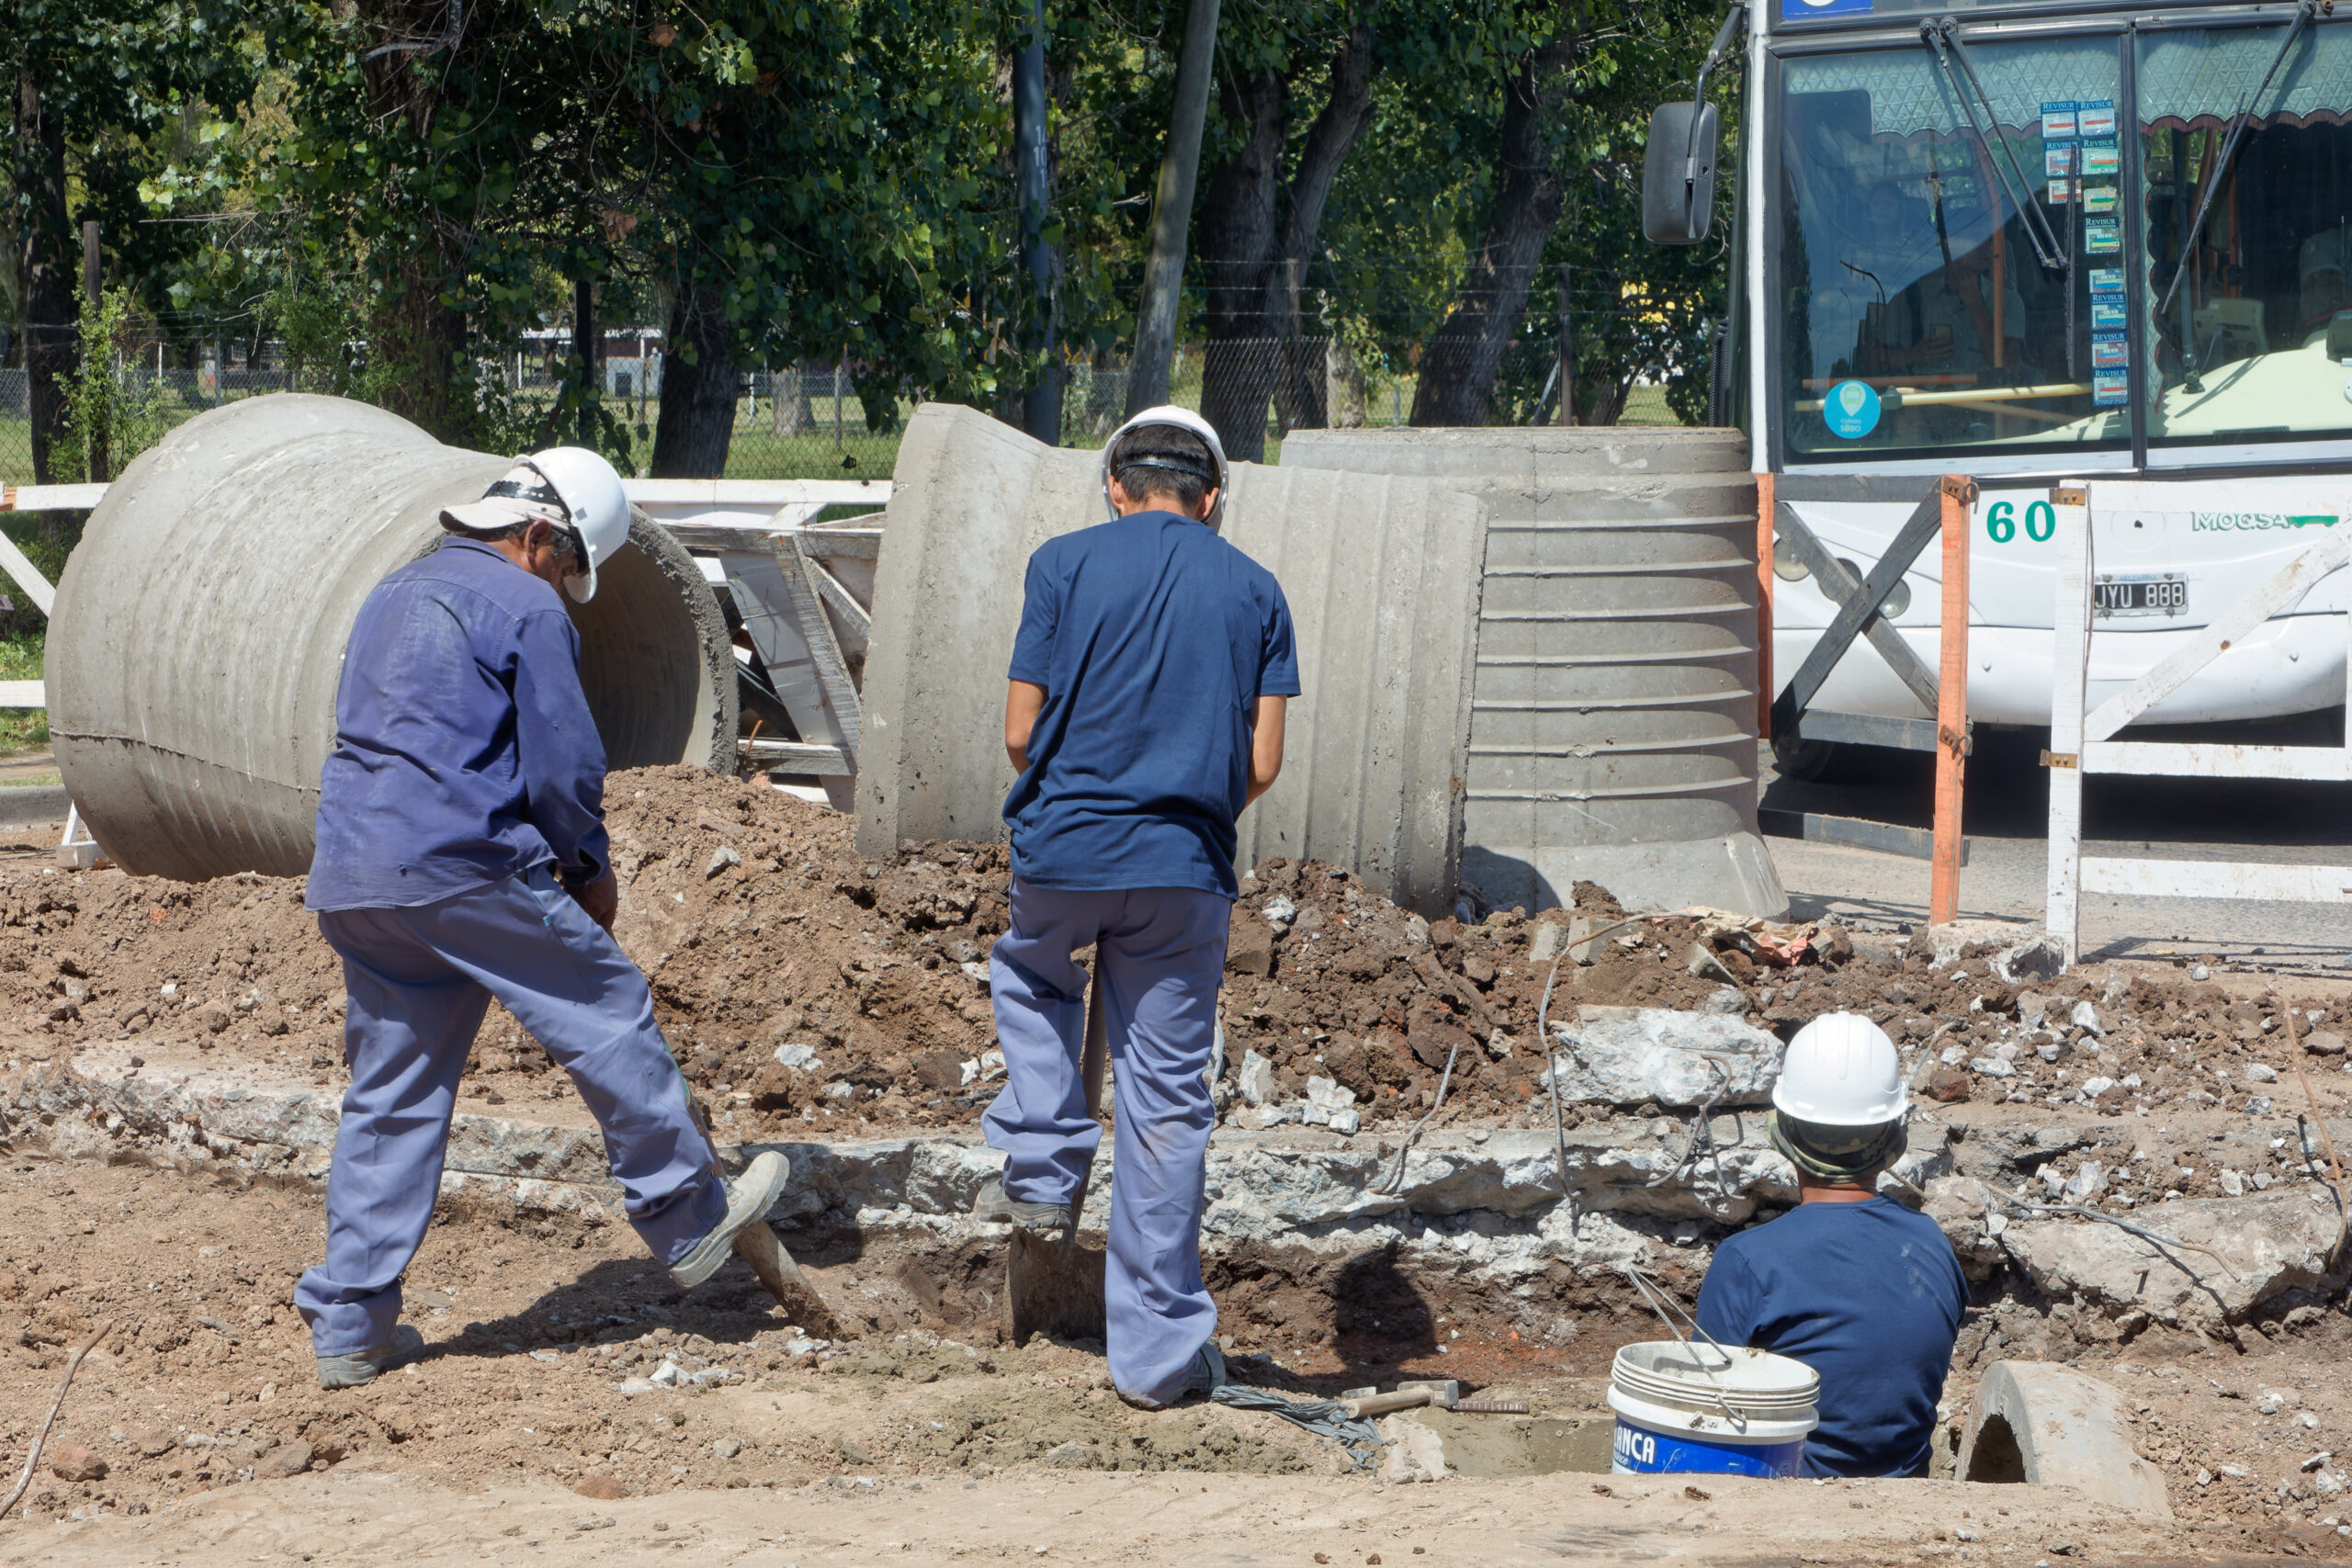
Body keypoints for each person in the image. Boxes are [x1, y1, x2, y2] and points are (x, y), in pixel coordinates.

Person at [295, 448, 792, 1389]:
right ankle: (689, 1219)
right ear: (536, 538)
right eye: (568, 567)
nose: (566, 586)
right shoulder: (525, 604)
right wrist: (589, 873)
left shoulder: (393, 592)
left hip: (356, 874)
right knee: (606, 1013)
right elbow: (562, 765)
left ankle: (351, 1326)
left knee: (391, 1098)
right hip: (461, 867)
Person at [971, 407, 1299, 1410]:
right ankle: (1155, 1364)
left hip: (1063, 853)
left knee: (1031, 976)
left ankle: (1041, 1158)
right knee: (1164, 1109)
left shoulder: (1061, 564)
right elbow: (1261, 764)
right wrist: (1183, 811)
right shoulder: (1255, 589)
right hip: (1183, 874)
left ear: (1116, 484)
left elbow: (1020, 733)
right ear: (1212, 498)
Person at [1694, 1012, 1967, 1477]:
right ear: (1893, 1139)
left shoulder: (1747, 1262)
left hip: (1787, 1510)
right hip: (1910, 1508)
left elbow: (1703, 1416)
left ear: (1784, 1133)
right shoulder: (1931, 1244)